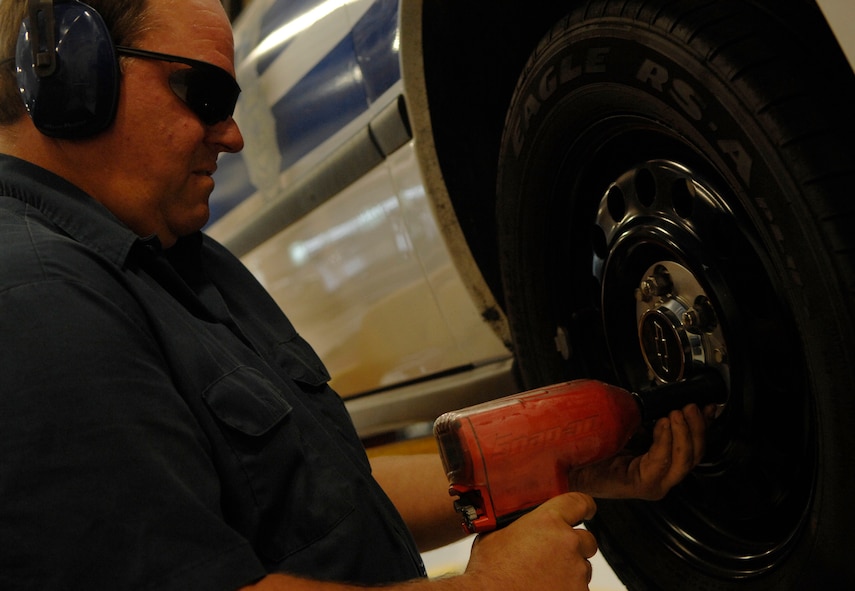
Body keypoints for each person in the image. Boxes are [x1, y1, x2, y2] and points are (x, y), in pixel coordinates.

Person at [0, 0, 712, 589]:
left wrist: (554, 467)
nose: (233, 135)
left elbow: (318, 500)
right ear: (69, 75)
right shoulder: (34, 303)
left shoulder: (176, 259)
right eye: (205, 95)